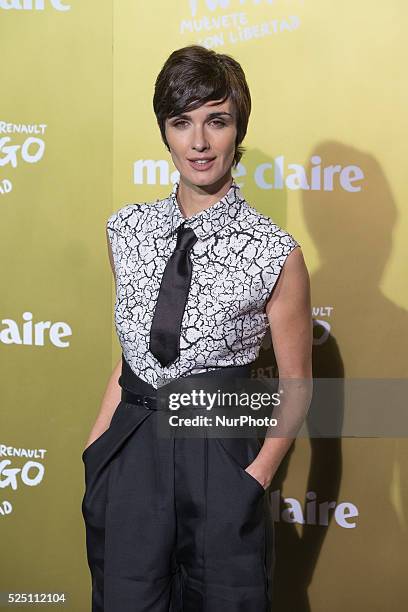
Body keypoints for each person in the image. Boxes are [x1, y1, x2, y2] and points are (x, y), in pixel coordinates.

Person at [81, 45, 312, 612]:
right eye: (181, 122)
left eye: (217, 120)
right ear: (165, 133)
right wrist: (97, 447)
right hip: (132, 452)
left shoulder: (275, 252)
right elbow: (133, 354)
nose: (200, 142)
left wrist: (253, 478)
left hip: (221, 455)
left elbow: (298, 383)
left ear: (238, 130)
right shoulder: (125, 231)